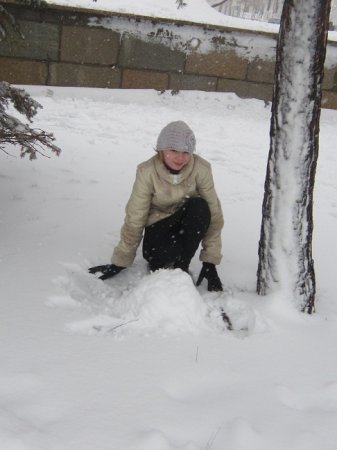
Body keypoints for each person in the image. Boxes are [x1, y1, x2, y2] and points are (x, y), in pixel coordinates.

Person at [89, 120, 224, 292]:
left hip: (186, 227)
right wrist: (120, 261)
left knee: (200, 207)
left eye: (186, 152)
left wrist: (210, 262)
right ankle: (163, 264)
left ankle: (182, 266)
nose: (180, 158)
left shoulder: (201, 169)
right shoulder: (147, 172)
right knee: (159, 258)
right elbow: (135, 217)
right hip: (158, 233)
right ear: (161, 149)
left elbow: (214, 215)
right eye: (173, 150)